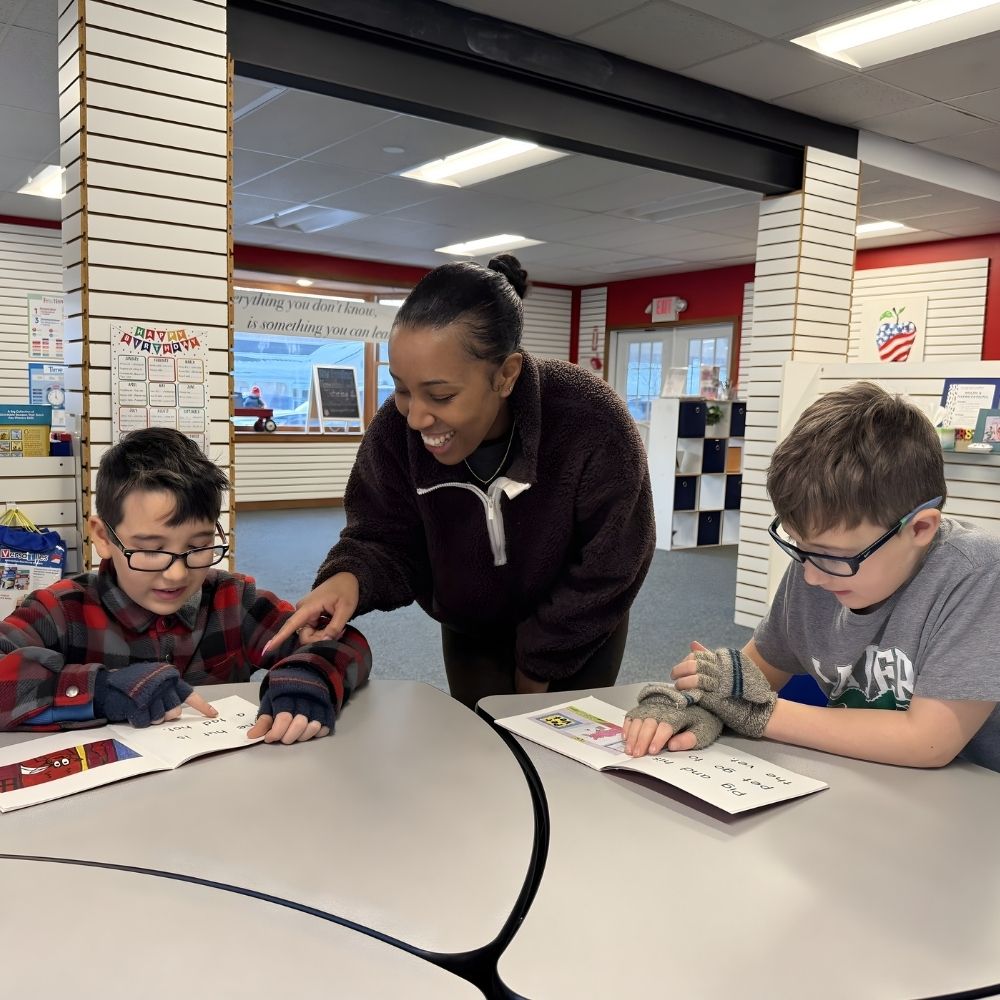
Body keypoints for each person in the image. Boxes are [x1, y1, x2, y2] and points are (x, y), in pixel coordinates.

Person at [266, 255, 655, 708]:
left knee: (559, 751)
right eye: (402, 388)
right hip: (472, 622)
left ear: (505, 376)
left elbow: (613, 561)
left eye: (441, 395)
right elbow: (382, 535)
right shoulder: (394, 431)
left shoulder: (591, 419)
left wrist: (539, 664)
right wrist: (349, 577)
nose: (416, 416)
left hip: (578, 623)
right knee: (482, 742)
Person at [622, 381, 1000, 771]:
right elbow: (756, 674)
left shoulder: (979, 574)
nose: (812, 578)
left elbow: (928, 742)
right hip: (870, 781)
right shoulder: (818, 567)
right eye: (799, 546)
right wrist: (696, 703)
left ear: (919, 529)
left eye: (835, 557)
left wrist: (758, 713)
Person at [0, 427, 371, 741]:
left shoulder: (233, 600)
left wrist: (308, 674)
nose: (177, 575)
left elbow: (341, 641)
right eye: (150, 549)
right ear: (103, 537)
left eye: (198, 547)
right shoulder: (61, 610)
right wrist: (102, 690)